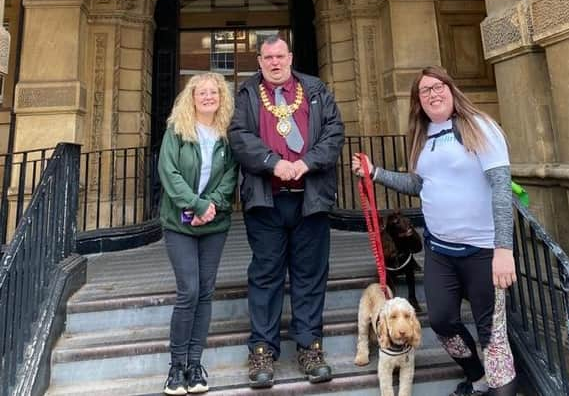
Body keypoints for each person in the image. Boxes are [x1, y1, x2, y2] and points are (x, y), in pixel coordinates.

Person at [352, 66, 518, 396]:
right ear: (418, 101)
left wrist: (504, 249)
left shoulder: (480, 126)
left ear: (452, 89)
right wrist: (376, 172)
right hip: (441, 250)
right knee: (442, 322)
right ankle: (477, 377)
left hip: (484, 249)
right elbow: (418, 184)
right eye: (425, 91)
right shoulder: (422, 136)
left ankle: (500, 388)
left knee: (492, 334)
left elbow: (501, 187)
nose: (433, 94)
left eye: (439, 86)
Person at [228, 35, 344, 389]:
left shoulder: (316, 90)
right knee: (266, 274)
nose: (275, 62)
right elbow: (238, 136)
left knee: (310, 275)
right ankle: (262, 349)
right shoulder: (247, 94)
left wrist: (307, 162)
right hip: (266, 199)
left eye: (280, 56)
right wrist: (272, 162)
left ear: (290, 57)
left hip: (310, 198)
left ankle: (310, 347)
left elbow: (334, 132)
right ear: (259, 61)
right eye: (268, 57)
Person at [158, 72, 238, 395]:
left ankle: (195, 364)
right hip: (179, 223)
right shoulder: (177, 131)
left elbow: (231, 175)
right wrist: (195, 203)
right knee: (188, 290)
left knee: (205, 291)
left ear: (221, 98)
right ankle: (176, 367)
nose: (208, 97)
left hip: (214, 225)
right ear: (191, 98)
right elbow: (169, 171)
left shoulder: (226, 134)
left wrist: (211, 207)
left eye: (214, 92)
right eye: (201, 92)